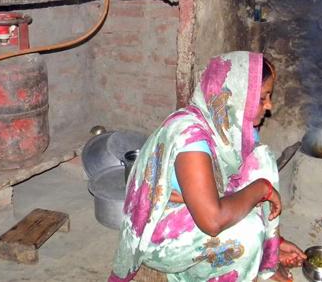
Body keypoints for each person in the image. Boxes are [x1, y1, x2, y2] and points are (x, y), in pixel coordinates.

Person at [108, 51, 306, 282]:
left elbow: (237, 191)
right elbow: (213, 221)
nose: (269, 106)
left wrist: (275, 243)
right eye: (262, 98)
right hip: (162, 234)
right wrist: (264, 189)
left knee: (260, 165)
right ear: (237, 96)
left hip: (199, 213)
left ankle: (258, 262)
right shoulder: (190, 138)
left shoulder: (231, 131)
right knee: (248, 233)